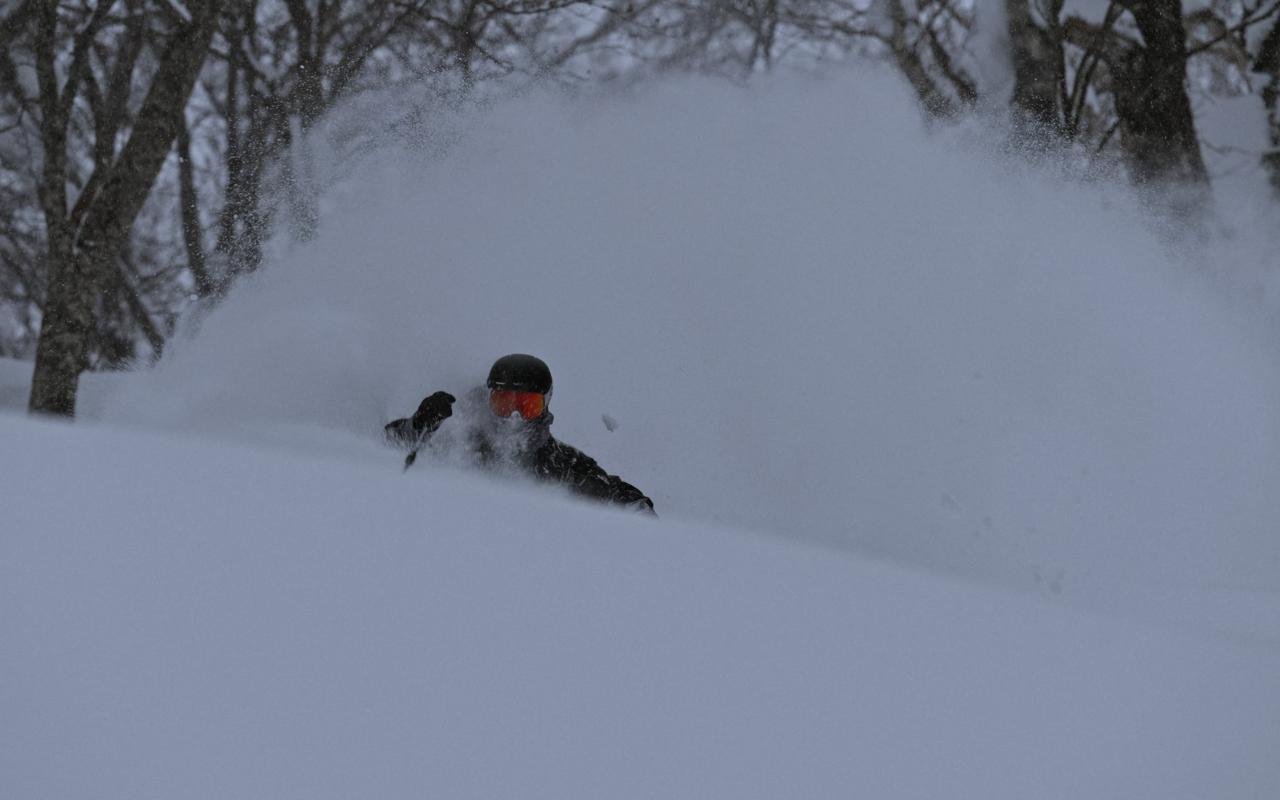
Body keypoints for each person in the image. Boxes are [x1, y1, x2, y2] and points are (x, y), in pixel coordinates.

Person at [386, 354, 655, 514]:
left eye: (527, 406)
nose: (514, 417)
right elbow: (387, 452)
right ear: (489, 399)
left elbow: (619, 497)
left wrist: (637, 508)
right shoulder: (461, 437)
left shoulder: (558, 463)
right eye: (504, 404)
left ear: (545, 406)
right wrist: (419, 426)